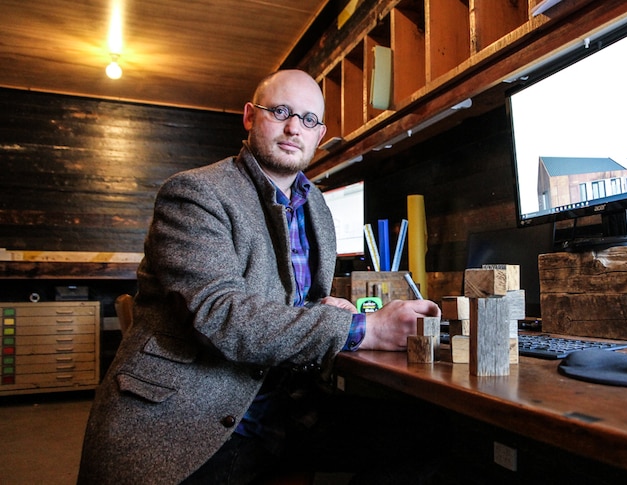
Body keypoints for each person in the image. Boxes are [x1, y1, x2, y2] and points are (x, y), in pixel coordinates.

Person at [78, 70, 442, 484]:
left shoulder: (316, 206)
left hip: (283, 410)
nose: (293, 127)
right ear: (250, 117)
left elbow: (286, 301)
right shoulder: (195, 194)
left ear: (319, 134)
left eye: (308, 119)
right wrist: (362, 328)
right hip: (193, 419)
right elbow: (220, 314)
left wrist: (321, 309)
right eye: (281, 111)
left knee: (426, 432)